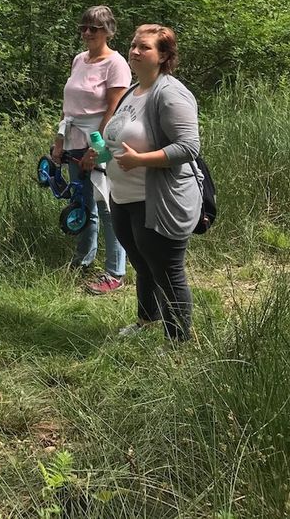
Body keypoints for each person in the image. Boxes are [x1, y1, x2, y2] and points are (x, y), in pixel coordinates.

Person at [94, 24, 201, 342]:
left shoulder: (169, 94)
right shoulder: (133, 90)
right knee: (143, 265)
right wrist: (103, 151)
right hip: (124, 197)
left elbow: (189, 147)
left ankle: (178, 341)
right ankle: (147, 320)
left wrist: (141, 160)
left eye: (145, 47)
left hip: (158, 200)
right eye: (133, 45)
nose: (135, 51)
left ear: (164, 55)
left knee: (167, 272)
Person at [52, 5, 131, 294]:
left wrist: (97, 148)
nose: (87, 33)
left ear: (108, 30)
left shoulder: (116, 63)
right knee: (81, 201)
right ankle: (83, 260)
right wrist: (60, 139)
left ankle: (115, 272)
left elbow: (115, 109)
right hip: (73, 137)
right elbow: (69, 107)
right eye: (83, 28)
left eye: (93, 29)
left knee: (106, 205)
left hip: (100, 141)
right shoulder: (79, 60)